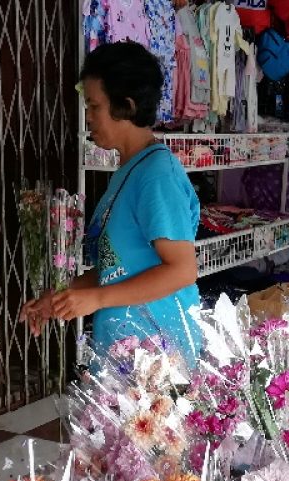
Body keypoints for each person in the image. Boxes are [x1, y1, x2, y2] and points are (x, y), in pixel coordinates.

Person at [21, 41, 202, 365]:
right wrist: (60, 299)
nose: (87, 117)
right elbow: (116, 270)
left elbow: (182, 270)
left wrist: (97, 298)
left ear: (126, 106)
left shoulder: (156, 176)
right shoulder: (129, 171)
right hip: (128, 355)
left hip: (160, 358)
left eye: (94, 106)